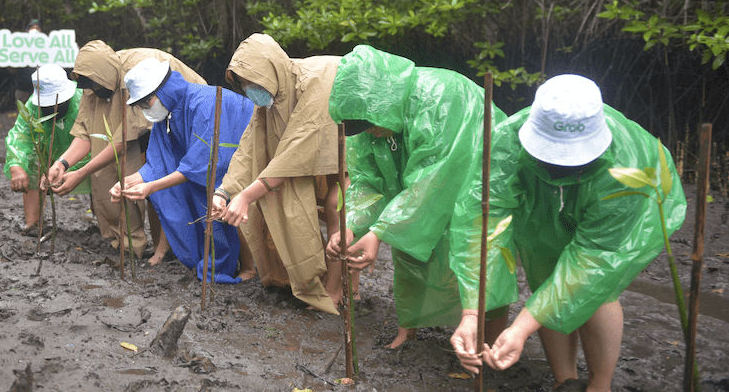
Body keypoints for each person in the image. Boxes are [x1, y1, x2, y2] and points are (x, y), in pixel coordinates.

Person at [449, 74, 686, 392]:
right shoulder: (506, 142)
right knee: (546, 277)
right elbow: (482, 223)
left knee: (598, 292)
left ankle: (600, 383)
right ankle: (565, 380)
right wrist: (472, 311)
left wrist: (521, 327)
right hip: (539, 201)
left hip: (620, 201)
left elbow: (592, 259)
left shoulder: (628, 163)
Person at [325, 45, 506, 348]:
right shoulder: (367, 128)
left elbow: (435, 178)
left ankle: (491, 342)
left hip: (479, 176)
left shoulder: (440, 97)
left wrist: (380, 231)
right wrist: (353, 226)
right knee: (408, 245)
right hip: (423, 189)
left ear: (383, 99)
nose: (370, 131)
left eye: (370, 123)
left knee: (480, 247)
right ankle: (409, 327)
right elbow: (368, 183)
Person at [211, 33, 341, 314]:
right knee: (277, 199)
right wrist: (225, 191)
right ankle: (294, 280)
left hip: (344, 144)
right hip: (302, 158)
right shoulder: (268, 100)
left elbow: (297, 151)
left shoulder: (312, 82)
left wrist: (246, 195)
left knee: (337, 208)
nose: (249, 90)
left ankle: (339, 289)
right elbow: (249, 149)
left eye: (250, 82)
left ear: (269, 70)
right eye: (244, 85)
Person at [46, 41, 205, 258]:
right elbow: (87, 134)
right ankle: (133, 244)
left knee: (164, 178)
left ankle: (166, 248)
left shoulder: (136, 73)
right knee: (128, 176)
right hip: (145, 119)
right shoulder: (93, 78)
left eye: (95, 86)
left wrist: (81, 173)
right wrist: (62, 164)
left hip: (177, 110)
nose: (93, 91)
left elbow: (123, 139)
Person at [110, 58, 254, 282]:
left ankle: (249, 267)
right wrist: (128, 182)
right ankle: (213, 262)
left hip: (237, 162)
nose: (145, 109)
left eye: (146, 102)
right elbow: (158, 163)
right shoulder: (167, 111)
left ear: (165, 90)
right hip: (205, 172)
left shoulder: (205, 104)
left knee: (224, 200)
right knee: (188, 197)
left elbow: (201, 165)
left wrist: (149, 187)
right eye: (140, 105)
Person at [4, 64, 90, 232]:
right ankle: (32, 224)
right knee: (31, 161)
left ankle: (101, 218)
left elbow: (92, 139)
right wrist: (16, 166)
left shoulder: (83, 99)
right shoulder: (32, 106)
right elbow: (20, 137)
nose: (53, 107)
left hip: (83, 152)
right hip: (48, 149)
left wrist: (66, 166)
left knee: (100, 170)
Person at [11, 19, 42, 105]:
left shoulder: (46, 47)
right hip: (22, 88)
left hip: (41, 90)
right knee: (22, 116)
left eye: (37, 28)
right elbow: (12, 69)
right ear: (27, 31)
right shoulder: (19, 47)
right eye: (32, 28)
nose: (35, 30)